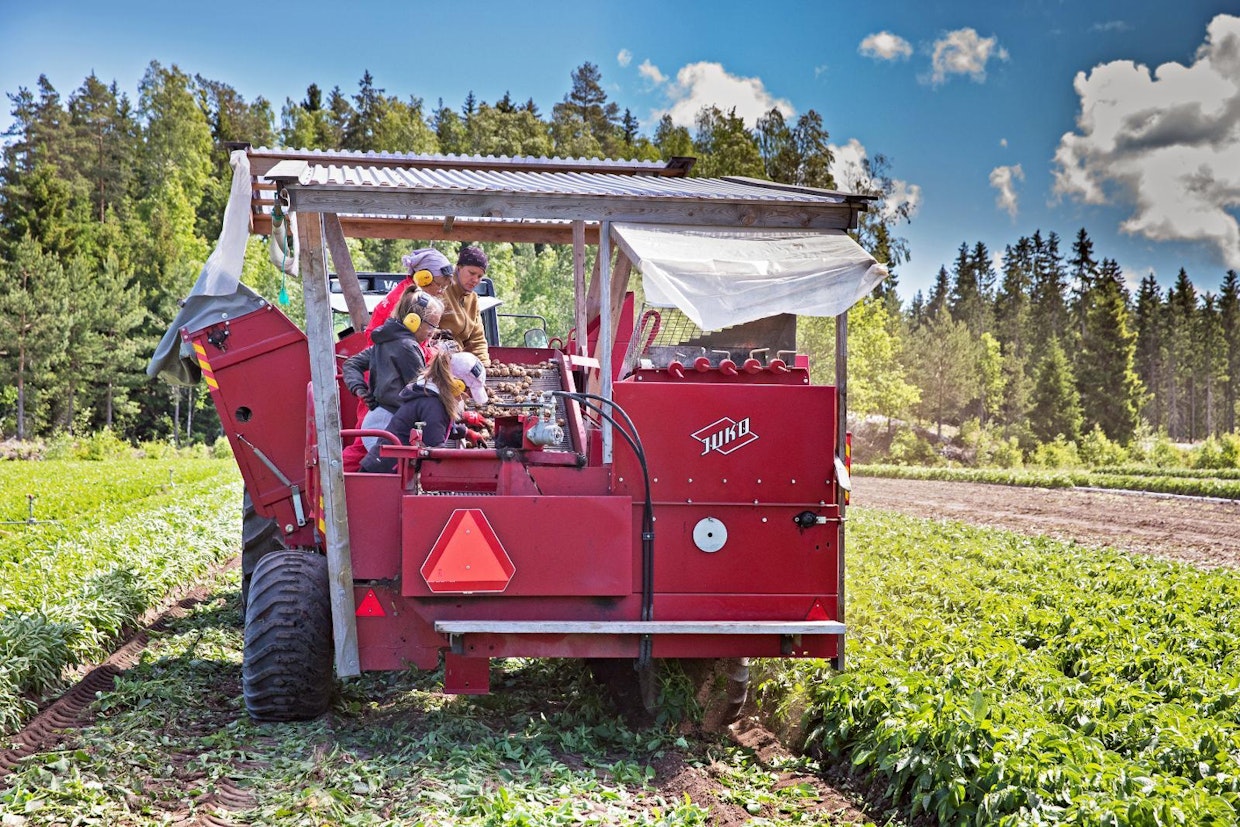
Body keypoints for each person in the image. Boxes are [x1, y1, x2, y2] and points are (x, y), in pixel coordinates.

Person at [342, 287, 444, 453]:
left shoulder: (385, 342)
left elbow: (351, 364)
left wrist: (359, 389)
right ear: (413, 321)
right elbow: (421, 390)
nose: (433, 332)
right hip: (388, 425)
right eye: (431, 325)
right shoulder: (407, 347)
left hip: (377, 420)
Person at [360, 351, 490, 474]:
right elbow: (436, 448)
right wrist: (470, 465)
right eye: (469, 393)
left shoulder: (431, 397)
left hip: (391, 468)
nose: (469, 398)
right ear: (456, 385)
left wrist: (466, 432)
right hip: (386, 472)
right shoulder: (433, 405)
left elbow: (435, 426)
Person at [438, 245, 491, 365]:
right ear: (458, 268)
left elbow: (477, 340)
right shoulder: (440, 291)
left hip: (462, 365)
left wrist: (484, 366)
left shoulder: (473, 300)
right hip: (438, 363)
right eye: (471, 273)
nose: (475, 280)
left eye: (479, 276)